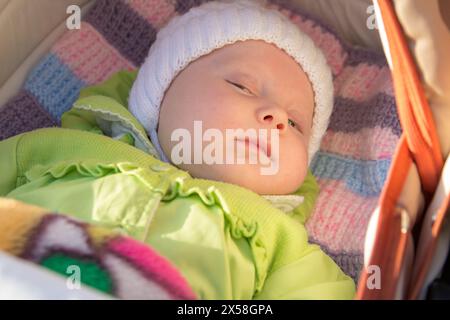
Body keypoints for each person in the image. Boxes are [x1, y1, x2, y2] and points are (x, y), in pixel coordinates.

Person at [0, 0, 355, 299]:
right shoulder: (63, 149)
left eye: (295, 124)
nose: (277, 117)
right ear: (159, 98)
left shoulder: (279, 242)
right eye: (242, 86)